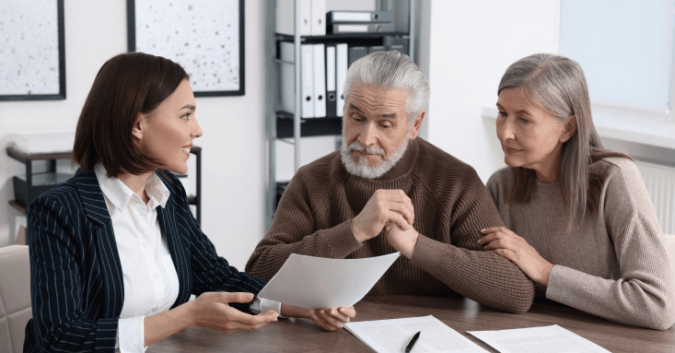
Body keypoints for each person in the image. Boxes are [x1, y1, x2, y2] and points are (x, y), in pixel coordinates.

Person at [24, 52, 355, 353]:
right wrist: (187, 316)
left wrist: (299, 305)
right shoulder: (59, 211)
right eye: (185, 116)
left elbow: (217, 277)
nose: (197, 130)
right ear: (138, 124)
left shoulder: (167, 194)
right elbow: (61, 337)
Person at [246, 51, 535, 313]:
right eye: (356, 117)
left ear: (415, 125)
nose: (365, 138)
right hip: (333, 338)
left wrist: (415, 245)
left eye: (384, 124)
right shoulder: (312, 180)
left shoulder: (455, 181)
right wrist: (354, 230)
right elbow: (257, 273)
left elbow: (516, 293)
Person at [479, 53, 675, 330]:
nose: (504, 133)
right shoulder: (501, 186)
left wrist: (545, 271)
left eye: (524, 120)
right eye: (502, 114)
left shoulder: (615, 178)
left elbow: (657, 306)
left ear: (567, 128)